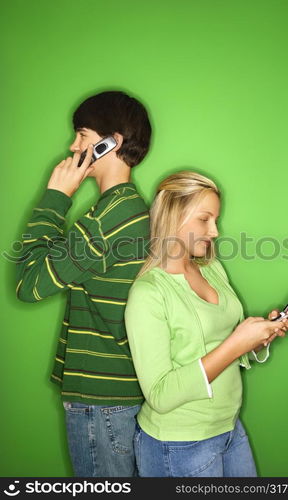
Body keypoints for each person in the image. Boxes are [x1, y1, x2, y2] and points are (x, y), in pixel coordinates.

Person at [124, 171, 288, 477]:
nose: (215, 231)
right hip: (179, 444)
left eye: (215, 219)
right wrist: (237, 344)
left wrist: (258, 337)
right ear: (174, 216)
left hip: (229, 427)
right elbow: (160, 395)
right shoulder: (148, 293)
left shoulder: (211, 268)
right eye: (205, 219)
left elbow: (219, 344)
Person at [16, 90, 151, 477]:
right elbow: (60, 263)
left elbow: (30, 282)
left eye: (82, 135)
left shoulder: (107, 220)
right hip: (119, 395)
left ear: (112, 143)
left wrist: (55, 197)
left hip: (102, 402)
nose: (73, 146)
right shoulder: (122, 211)